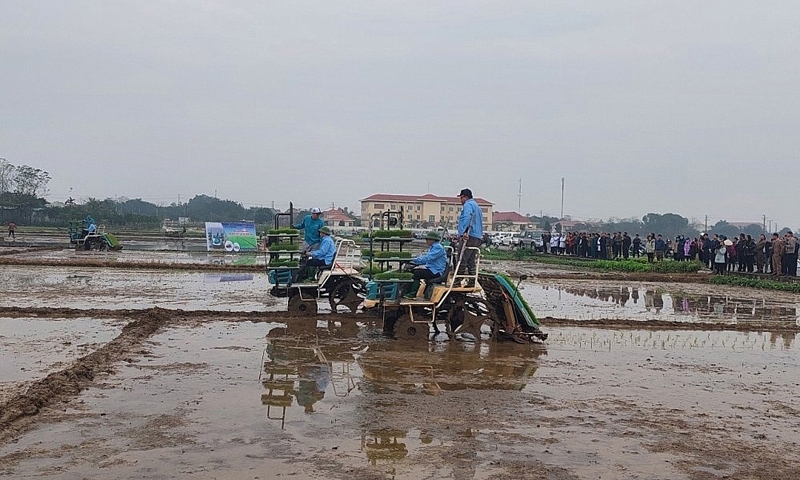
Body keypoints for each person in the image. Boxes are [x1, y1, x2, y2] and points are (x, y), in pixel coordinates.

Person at [404, 231, 447, 299]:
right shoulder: (433, 247)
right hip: (431, 269)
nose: (426, 241)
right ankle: (406, 292)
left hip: (436, 271)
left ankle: (412, 294)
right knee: (412, 271)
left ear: (433, 240)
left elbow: (427, 258)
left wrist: (413, 260)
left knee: (417, 273)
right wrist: (414, 261)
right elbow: (424, 258)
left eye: (427, 239)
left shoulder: (438, 247)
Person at [456, 189, 483, 281]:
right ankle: (472, 281)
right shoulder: (477, 206)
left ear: (466, 197)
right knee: (471, 260)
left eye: (461, 198)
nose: (461, 200)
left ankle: (457, 281)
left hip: (469, 236)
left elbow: (467, 218)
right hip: (478, 237)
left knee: (461, 258)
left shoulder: (468, 205)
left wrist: (463, 232)